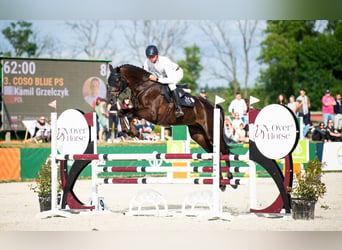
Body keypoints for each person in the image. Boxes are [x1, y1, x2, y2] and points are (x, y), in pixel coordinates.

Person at [143, 45, 184, 118]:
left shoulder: (165, 61)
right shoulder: (147, 62)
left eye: (153, 57)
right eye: (149, 57)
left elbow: (171, 79)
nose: (151, 59)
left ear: (157, 55)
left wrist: (158, 79)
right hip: (164, 75)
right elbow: (145, 73)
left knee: (171, 85)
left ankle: (179, 108)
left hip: (176, 73)